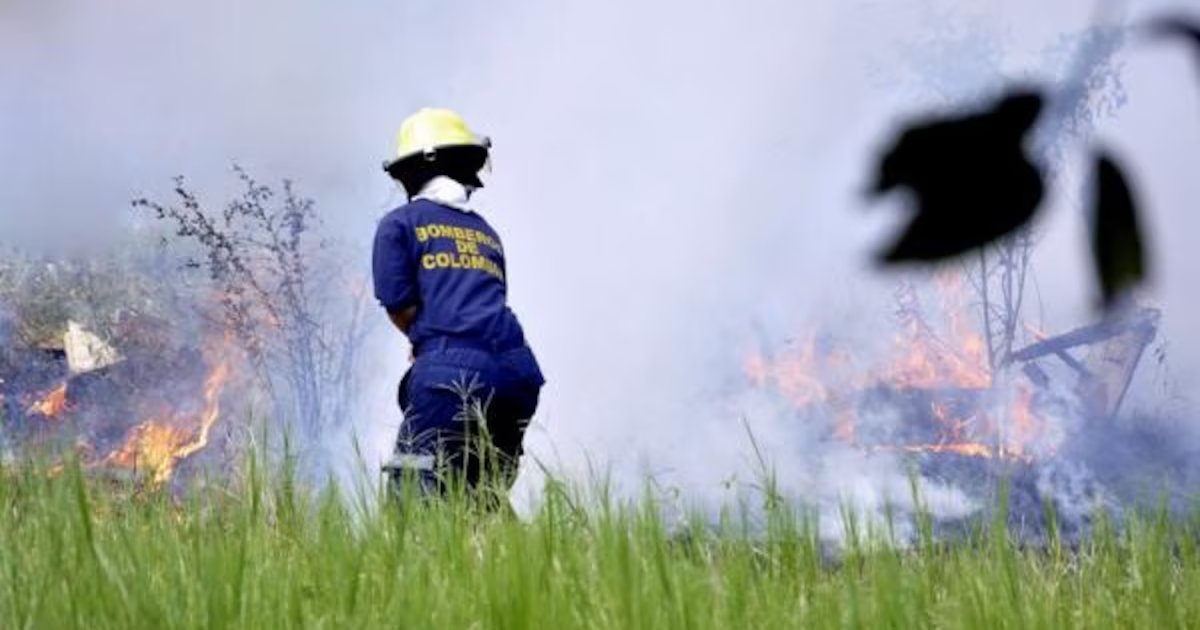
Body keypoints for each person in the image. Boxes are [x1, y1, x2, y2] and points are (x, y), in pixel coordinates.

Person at [373, 108, 544, 499]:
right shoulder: (486, 232)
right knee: (481, 499)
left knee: (413, 502)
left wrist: (426, 348)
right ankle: (514, 559)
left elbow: (399, 303)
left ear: (410, 171)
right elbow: (482, 302)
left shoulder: (399, 224)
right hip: (517, 376)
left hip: (450, 374)